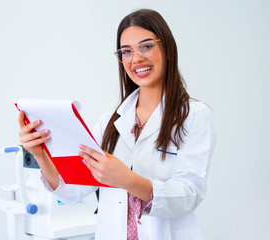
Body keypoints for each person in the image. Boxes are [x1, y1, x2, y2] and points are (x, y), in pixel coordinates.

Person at [18, 8, 216, 240]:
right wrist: (41, 155)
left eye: (146, 46)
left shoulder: (193, 115)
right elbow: (74, 191)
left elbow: (189, 195)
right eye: (126, 51)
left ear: (167, 48)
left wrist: (127, 180)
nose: (137, 58)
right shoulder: (110, 122)